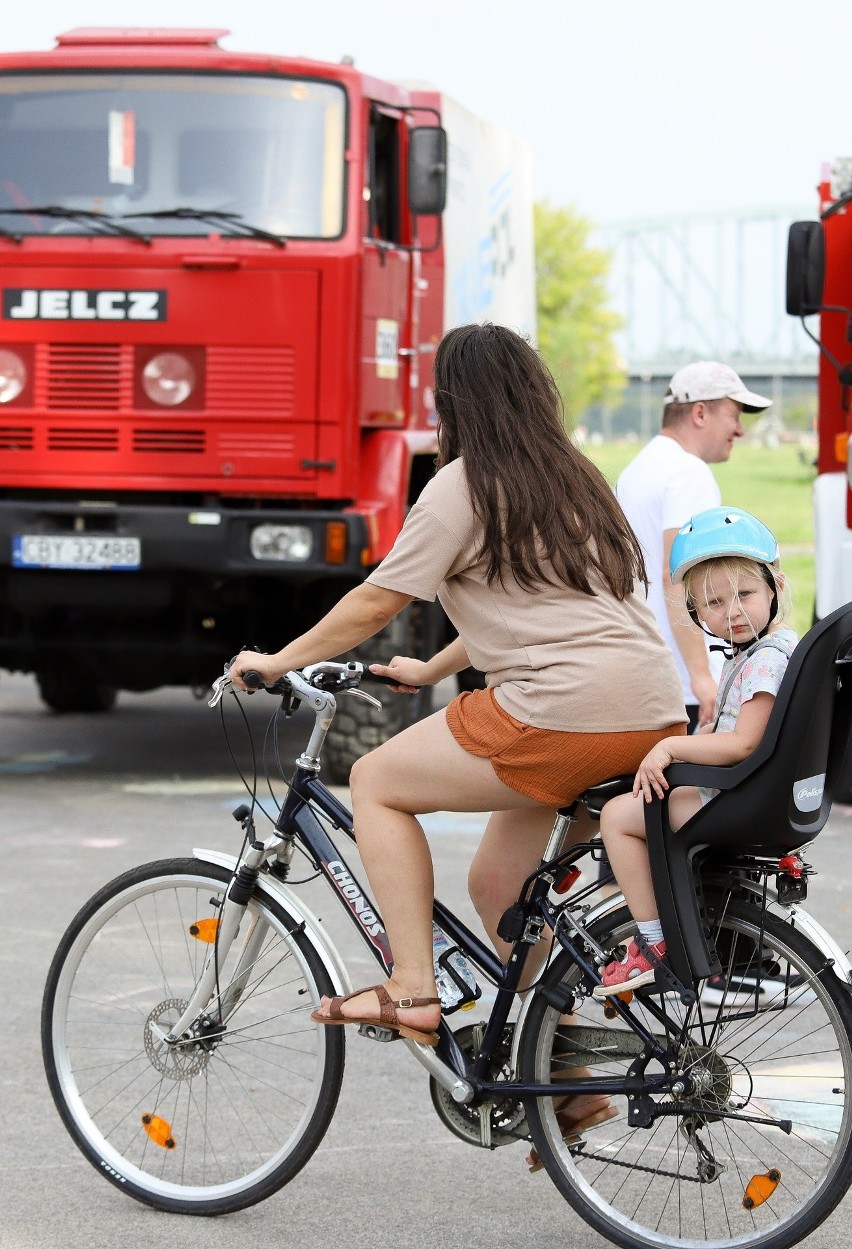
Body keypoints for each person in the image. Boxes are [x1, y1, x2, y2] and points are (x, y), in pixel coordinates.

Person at [227, 322, 686, 1069]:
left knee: (374, 779)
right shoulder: (574, 475)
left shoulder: (465, 483)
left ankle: (411, 987)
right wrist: (431, 664)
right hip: (650, 713)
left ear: (452, 402)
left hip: (560, 711)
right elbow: (548, 605)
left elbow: (377, 601)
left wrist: (278, 660)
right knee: (501, 888)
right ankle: (560, 1077)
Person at [593, 507, 796, 995]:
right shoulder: (768, 650)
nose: (733, 611)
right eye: (714, 602)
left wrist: (670, 746)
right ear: (695, 613)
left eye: (745, 594)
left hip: (731, 797)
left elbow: (744, 742)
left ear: (774, 588)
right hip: (748, 792)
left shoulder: (764, 663)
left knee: (618, 818)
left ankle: (652, 944)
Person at [616, 362, 772, 730]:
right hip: (683, 680)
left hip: (645, 669)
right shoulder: (689, 473)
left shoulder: (638, 468)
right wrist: (703, 679)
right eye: (734, 415)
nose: (740, 430)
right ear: (700, 412)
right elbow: (681, 577)